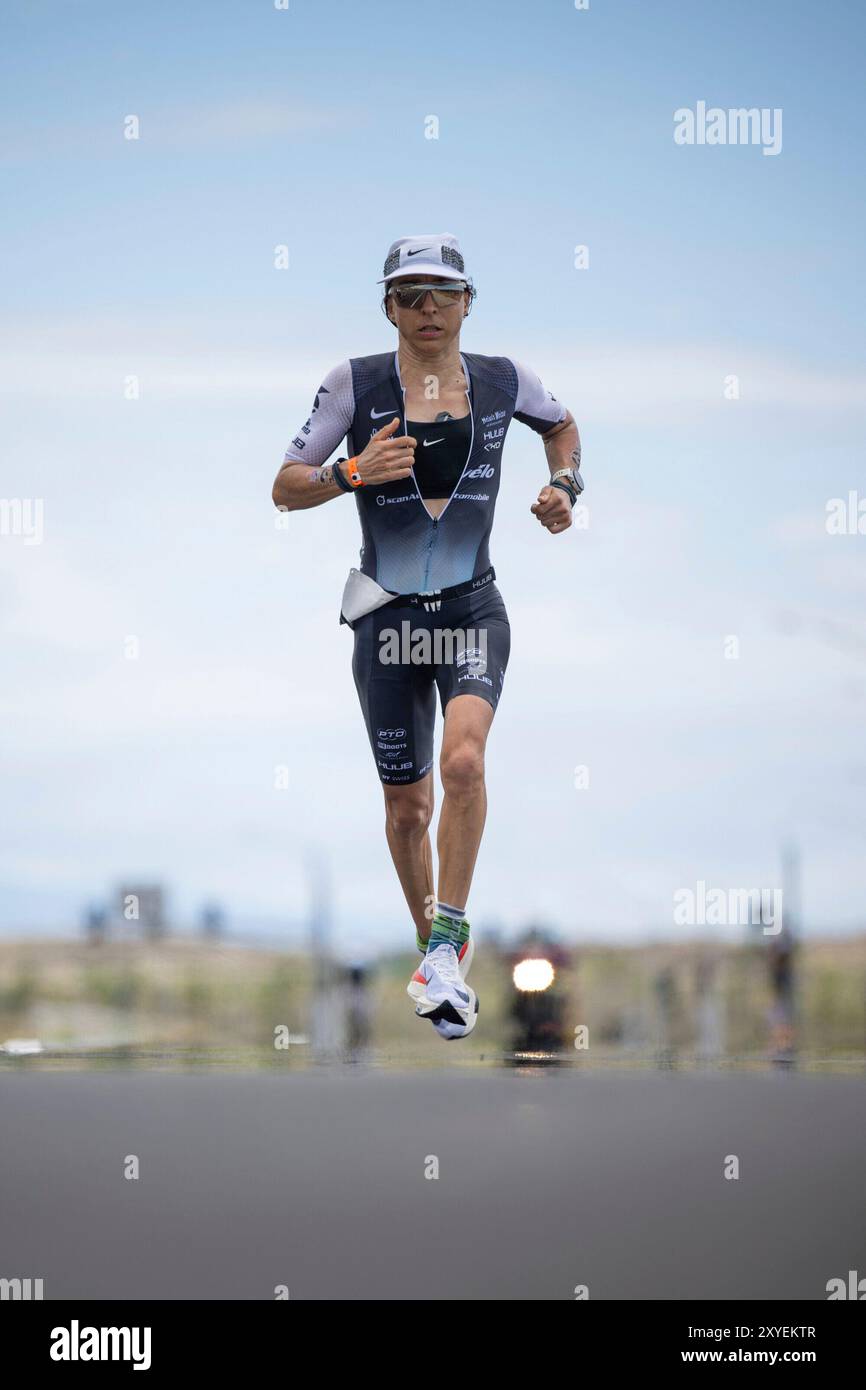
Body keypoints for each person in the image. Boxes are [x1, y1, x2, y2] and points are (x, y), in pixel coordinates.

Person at [272, 234, 582, 1040]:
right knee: (407, 809)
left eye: (443, 293)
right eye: (409, 295)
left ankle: (449, 939)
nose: (428, 309)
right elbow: (283, 486)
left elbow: (563, 425)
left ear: (469, 301)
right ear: (388, 308)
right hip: (386, 620)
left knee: (465, 761)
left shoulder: (507, 378)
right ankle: (432, 946)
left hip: (472, 610)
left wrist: (563, 484)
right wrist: (350, 473)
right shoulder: (353, 384)